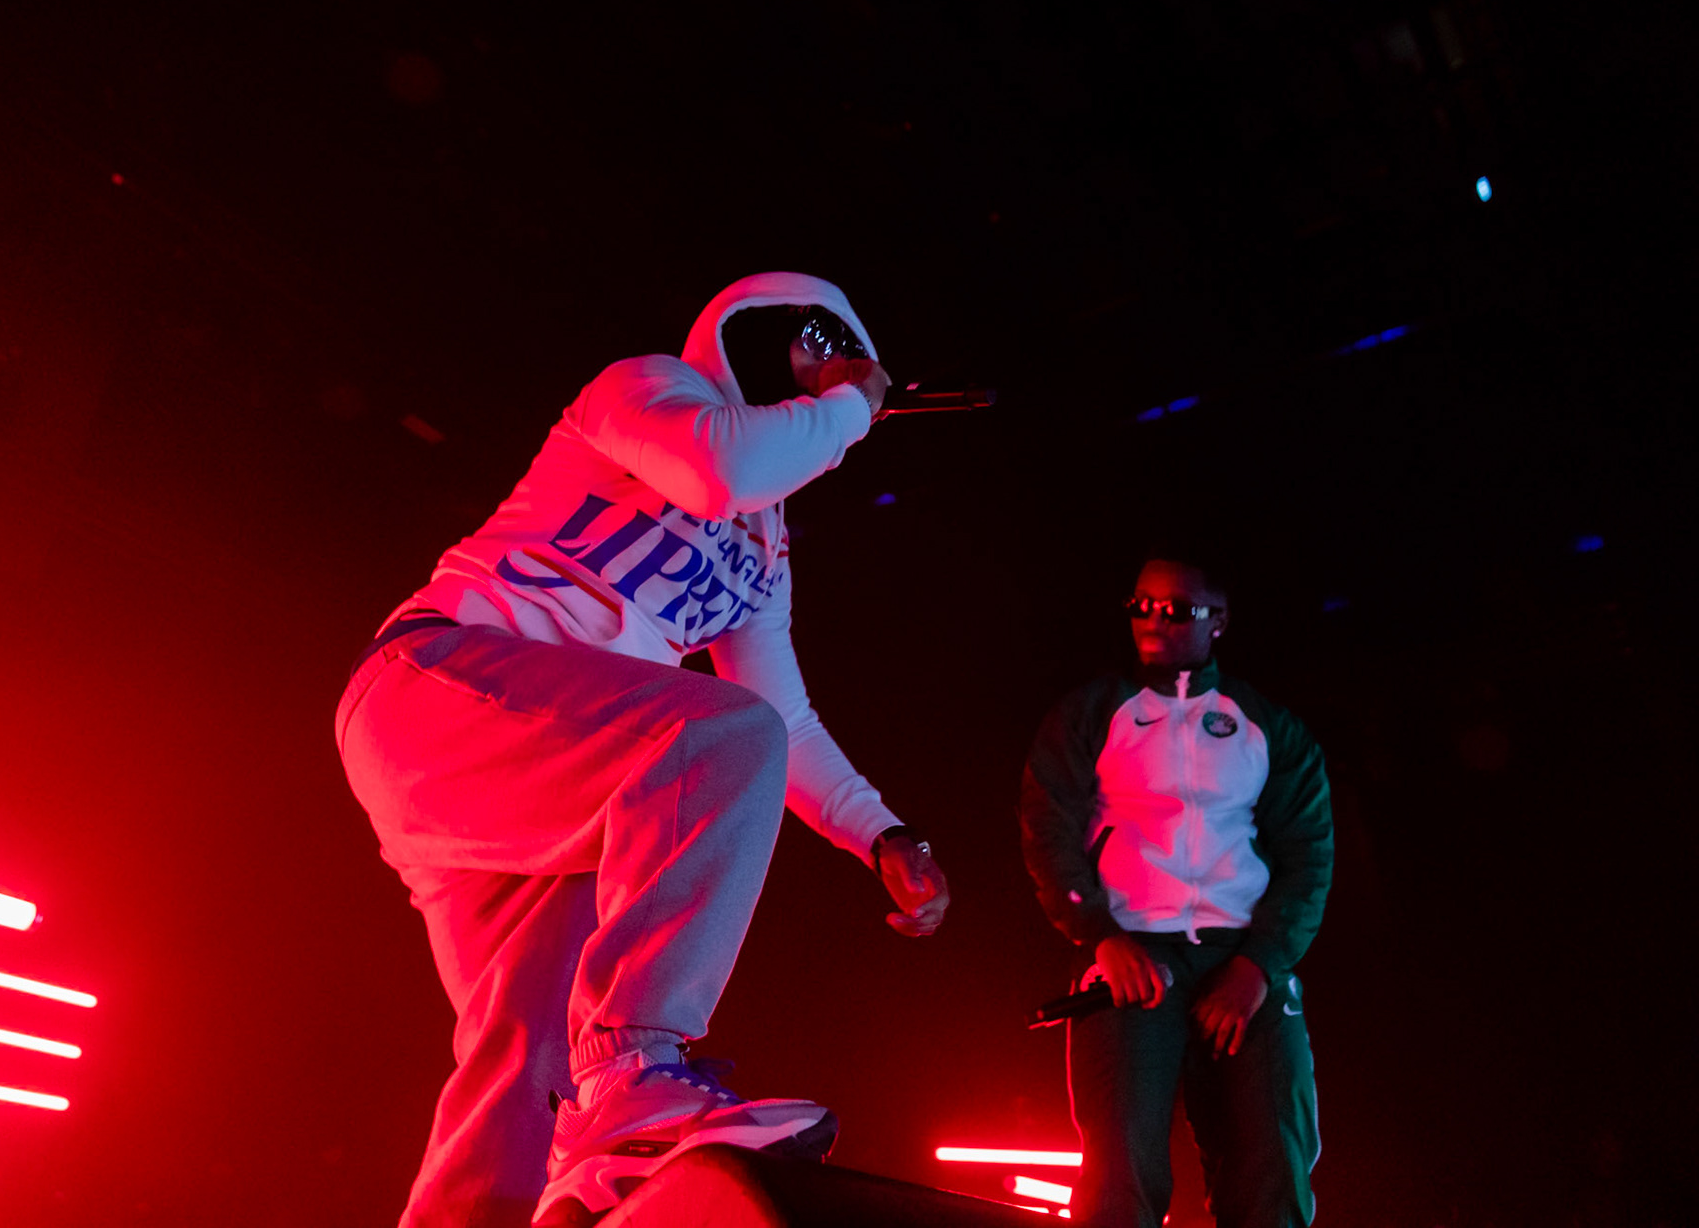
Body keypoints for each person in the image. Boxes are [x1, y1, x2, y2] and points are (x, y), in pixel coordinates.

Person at [335, 272, 950, 1228]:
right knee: (713, 737)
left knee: (525, 1072)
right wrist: (851, 405)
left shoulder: (763, 543)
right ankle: (635, 1066)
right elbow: (717, 470)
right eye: (820, 348)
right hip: (440, 689)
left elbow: (779, 717)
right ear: (759, 328)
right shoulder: (650, 390)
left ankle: (560, 1153)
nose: (835, 380)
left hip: (562, 777)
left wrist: (882, 831)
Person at [1017, 554, 1331, 1228]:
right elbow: (1048, 834)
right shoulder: (1091, 714)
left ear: (1218, 620)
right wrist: (1101, 938)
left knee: (1271, 1167)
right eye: (1142, 605)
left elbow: (1309, 855)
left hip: (1244, 962)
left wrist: (1260, 965)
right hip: (1131, 958)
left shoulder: (1266, 726)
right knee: (1120, 1175)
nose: (1155, 620)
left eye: (1177, 609)